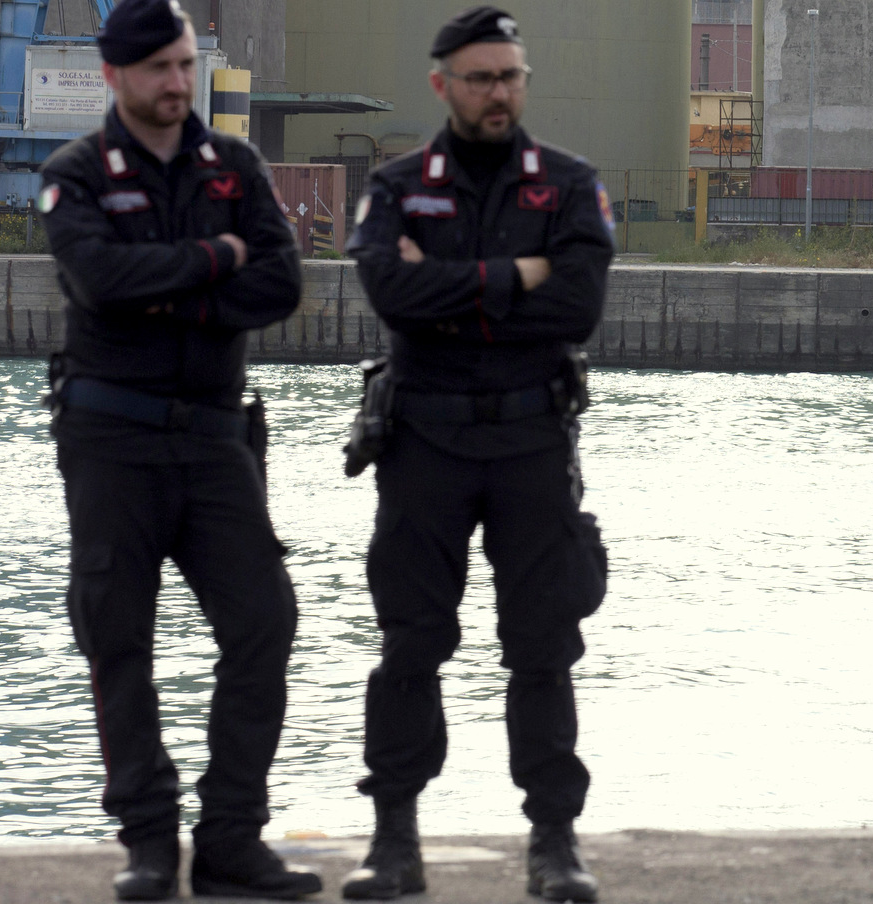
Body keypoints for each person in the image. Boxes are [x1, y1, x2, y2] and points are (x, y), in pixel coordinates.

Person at [37, 0, 320, 899]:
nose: (176, 82)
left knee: (265, 622)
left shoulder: (233, 165)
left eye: (184, 63)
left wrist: (172, 287)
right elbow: (99, 281)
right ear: (115, 75)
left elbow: (280, 283)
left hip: (214, 437)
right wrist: (214, 260)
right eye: (157, 67)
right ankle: (149, 842)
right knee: (117, 638)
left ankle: (233, 833)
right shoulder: (75, 174)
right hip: (110, 438)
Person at [341, 6, 613, 902]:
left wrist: (448, 287)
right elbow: (389, 291)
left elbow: (574, 309)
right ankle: (393, 841)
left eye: (510, 76)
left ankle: (554, 843)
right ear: (443, 85)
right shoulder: (396, 185)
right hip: (424, 442)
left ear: (523, 82)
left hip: (534, 440)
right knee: (410, 644)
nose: (497, 92)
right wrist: (515, 276)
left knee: (543, 646)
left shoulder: (571, 186)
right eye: (479, 77)